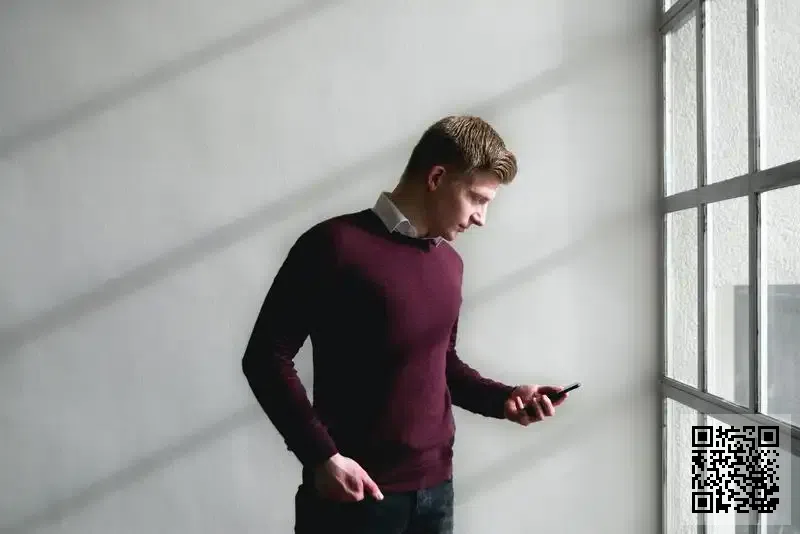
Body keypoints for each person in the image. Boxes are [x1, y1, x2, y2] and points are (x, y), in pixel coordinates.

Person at [241, 115, 570, 534]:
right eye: (477, 198)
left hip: (436, 493)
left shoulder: (450, 263)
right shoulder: (333, 245)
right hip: (354, 498)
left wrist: (503, 399)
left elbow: (441, 363)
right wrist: (322, 457)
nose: (481, 218)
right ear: (437, 177)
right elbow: (265, 357)